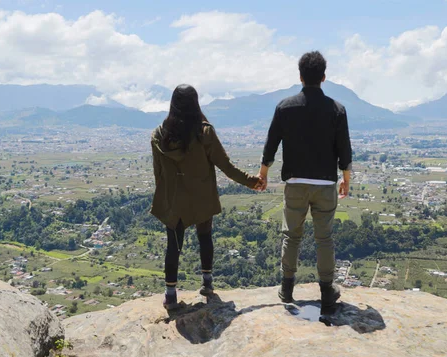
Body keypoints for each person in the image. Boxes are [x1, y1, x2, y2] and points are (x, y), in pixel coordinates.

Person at [257, 51, 353, 316]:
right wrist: (346, 178)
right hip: (325, 184)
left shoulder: (285, 107)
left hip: (295, 183)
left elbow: (271, 144)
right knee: (324, 238)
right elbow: (344, 149)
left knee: (292, 235)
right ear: (323, 77)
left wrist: (263, 172)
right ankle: (326, 292)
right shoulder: (337, 110)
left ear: (300, 76)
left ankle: (287, 289)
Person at [151, 84, 262, 310]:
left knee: (173, 245)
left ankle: (170, 295)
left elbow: (158, 174)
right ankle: (207, 285)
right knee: (205, 237)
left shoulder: (158, 135)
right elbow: (226, 166)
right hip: (201, 195)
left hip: (173, 199)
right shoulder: (204, 133)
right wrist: (252, 181)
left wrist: (165, 199)